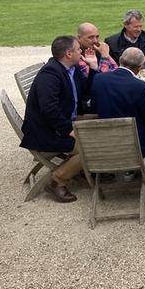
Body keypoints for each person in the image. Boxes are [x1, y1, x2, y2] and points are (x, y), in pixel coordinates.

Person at [20, 35, 96, 203]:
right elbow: (49, 109)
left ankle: (82, 169)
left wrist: (93, 67)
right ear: (69, 54)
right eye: (78, 49)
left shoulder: (70, 68)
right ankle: (57, 181)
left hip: (66, 120)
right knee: (90, 146)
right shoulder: (51, 74)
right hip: (47, 131)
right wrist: (69, 130)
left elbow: (85, 90)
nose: (81, 51)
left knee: (101, 123)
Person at [90, 48, 145, 171]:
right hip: (135, 143)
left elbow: (94, 107)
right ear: (141, 66)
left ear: (120, 60)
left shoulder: (99, 79)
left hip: (105, 139)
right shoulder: (140, 86)